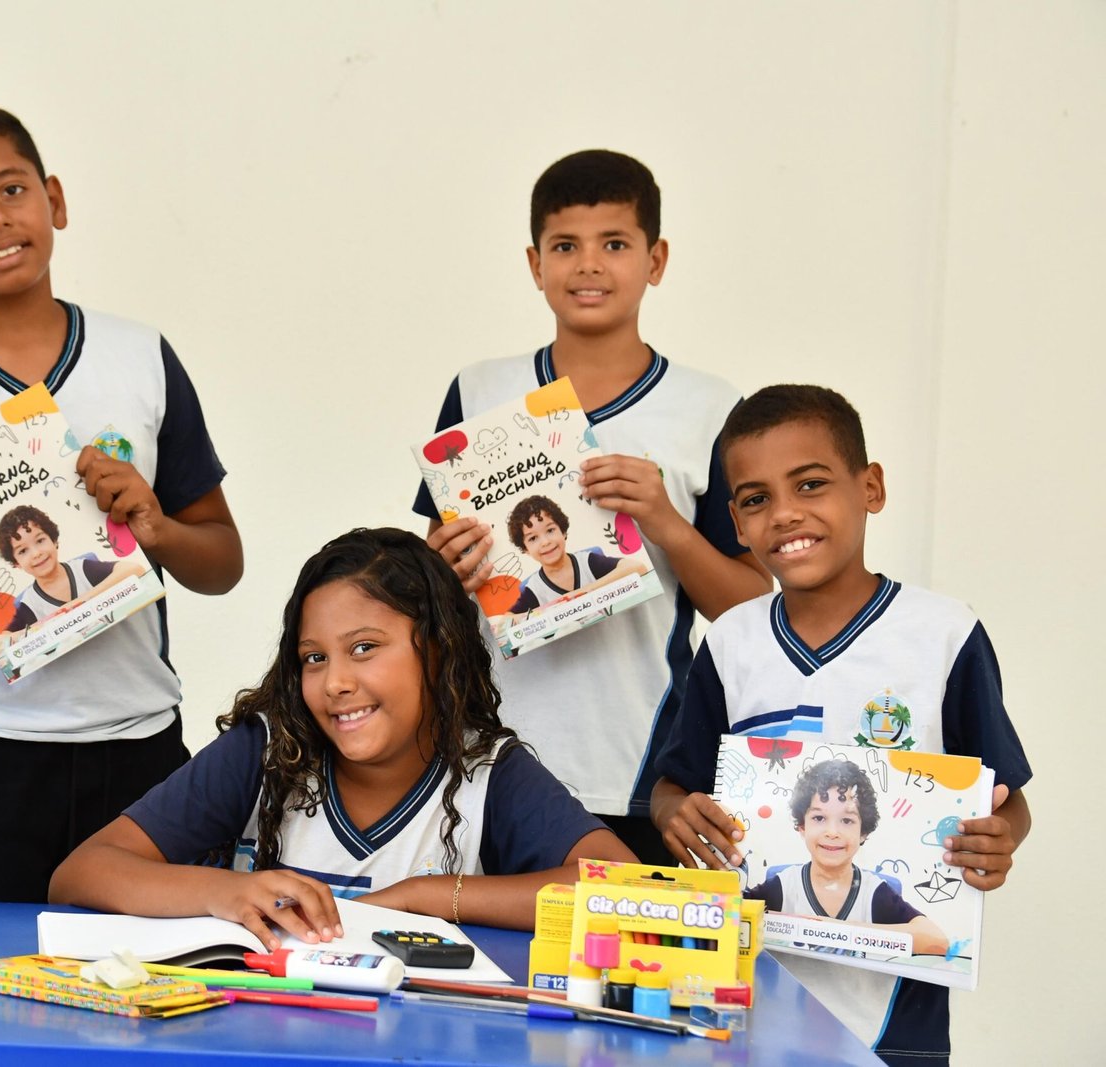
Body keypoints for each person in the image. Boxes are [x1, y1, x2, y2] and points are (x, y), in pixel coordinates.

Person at [0, 103, 243, 904]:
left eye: (12, 189)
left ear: (55, 199)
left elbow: (223, 562)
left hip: (139, 744)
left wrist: (156, 528)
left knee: (150, 977)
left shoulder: (138, 356)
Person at [649, 384, 1031, 1065]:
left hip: (896, 1013)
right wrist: (675, 814)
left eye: (811, 484)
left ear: (870, 488)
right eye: (756, 499)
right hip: (743, 994)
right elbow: (672, 787)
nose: (785, 513)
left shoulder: (944, 634)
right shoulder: (731, 642)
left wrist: (999, 840)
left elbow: (1008, 801)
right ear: (737, 523)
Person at [415, 150, 770, 862]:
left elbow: (752, 610)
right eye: (564, 246)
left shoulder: (708, 407)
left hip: (639, 766)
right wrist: (440, 568)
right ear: (534, 263)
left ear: (655, 260)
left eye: (614, 244)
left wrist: (667, 523)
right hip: (486, 755)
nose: (588, 266)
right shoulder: (480, 390)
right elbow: (428, 581)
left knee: (623, 935)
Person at [50, 528, 635, 948]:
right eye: (314, 657)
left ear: (439, 648)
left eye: (364, 648)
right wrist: (220, 891)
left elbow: (626, 893)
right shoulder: (266, 750)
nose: (335, 682)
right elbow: (81, 873)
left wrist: (427, 896)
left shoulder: (488, 771)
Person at [746, 759, 947, 957]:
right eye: (819, 818)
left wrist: (835, 930)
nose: (832, 832)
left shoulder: (873, 893)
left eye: (847, 820)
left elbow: (938, 943)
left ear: (863, 832)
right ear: (802, 827)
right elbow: (732, 914)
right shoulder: (785, 886)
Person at [0, 503, 146, 631]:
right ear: (16, 563)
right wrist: (45, 625)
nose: (36, 553)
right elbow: (5, 639)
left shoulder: (82, 569)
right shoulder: (30, 603)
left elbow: (135, 570)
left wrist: (80, 603)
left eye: (40, 541)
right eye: (23, 551)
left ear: (54, 540)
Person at [503, 493, 646, 613]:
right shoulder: (535, 589)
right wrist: (544, 611)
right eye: (533, 538)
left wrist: (582, 593)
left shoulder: (588, 562)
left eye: (550, 530)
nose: (545, 542)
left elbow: (637, 568)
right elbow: (507, 620)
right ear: (525, 549)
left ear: (563, 531)